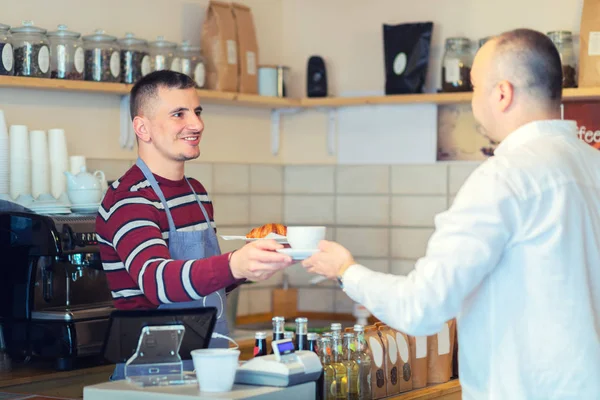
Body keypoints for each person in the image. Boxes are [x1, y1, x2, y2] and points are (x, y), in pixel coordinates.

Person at [303, 29, 600, 399]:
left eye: (475, 87)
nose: (473, 101)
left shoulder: (504, 177)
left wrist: (346, 271)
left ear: (502, 93)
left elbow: (422, 307)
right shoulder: (593, 165)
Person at [95, 70, 294, 362]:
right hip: (152, 374)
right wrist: (233, 264)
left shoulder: (196, 193)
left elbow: (200, 288)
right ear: (143, 129)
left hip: (206, 362)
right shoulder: (129, 199)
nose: (196, 124)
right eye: (179, 114)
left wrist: (252, 262)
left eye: (197, 112)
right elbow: (157, 281)